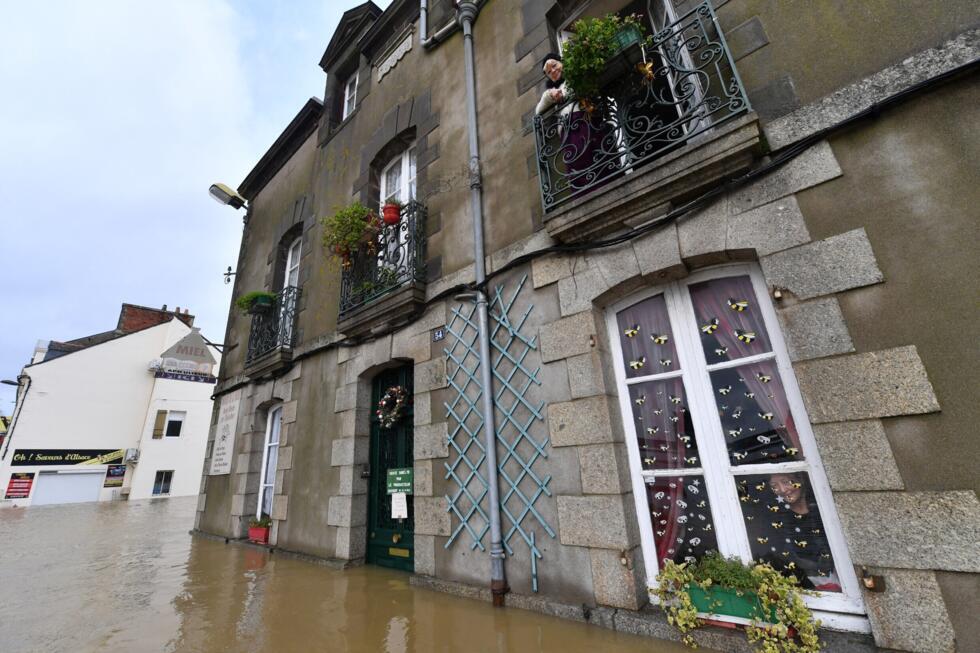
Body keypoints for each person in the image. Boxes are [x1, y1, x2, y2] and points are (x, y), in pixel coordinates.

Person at [766, 472, 841, 592]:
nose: (782, 490)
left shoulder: (822, 508)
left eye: (786, 482)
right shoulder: (778, 519)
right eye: (774, 486)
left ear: (800, 479)